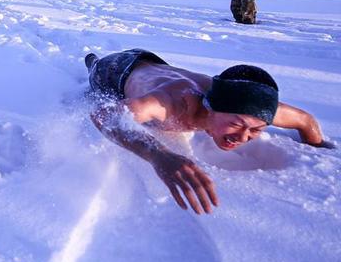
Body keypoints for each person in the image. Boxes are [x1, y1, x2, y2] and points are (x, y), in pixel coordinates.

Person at [86, 49, 333, 215]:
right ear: (210, 107)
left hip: (155, 63)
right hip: (115, 72)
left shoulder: (253, 108)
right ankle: (92, 60)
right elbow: (104, 117)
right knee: (95, 66)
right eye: (236, 124)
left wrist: (319, 148)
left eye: (256, 130)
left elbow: (305, 120)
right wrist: (159, 155)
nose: (244, 137)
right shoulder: (169, 103)